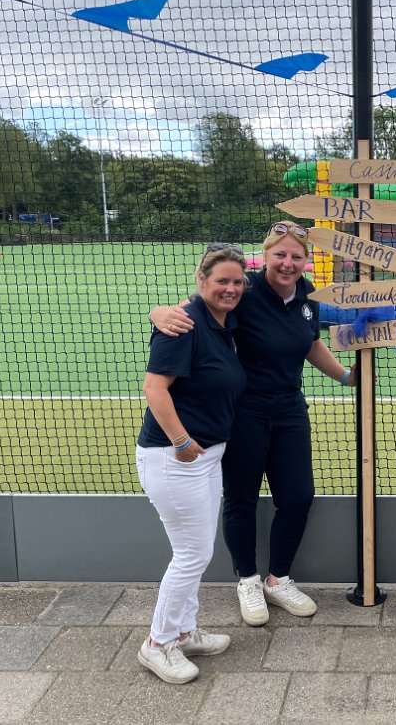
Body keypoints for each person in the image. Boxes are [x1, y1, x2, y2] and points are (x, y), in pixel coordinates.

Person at [150, 222, 357, 627]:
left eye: (296, 256)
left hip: (290, 410)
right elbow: (194, 308)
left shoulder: (307, 294)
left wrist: (346, 376)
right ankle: (247, 580)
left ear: (305, 261)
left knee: (298, 497)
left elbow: (312, 343)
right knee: (241, 499)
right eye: (280, 254)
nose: (288, 263)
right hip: (243, 412)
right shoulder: (244, 290)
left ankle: (278, 580)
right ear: (266, 256)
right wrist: (157, 312)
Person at [136, 245, 248, 684]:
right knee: (191, 554)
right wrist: (181, 441)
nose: (230, 288)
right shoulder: (183, 324)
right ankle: (158, 644)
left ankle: (184, 632)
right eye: (221, 280)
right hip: (174, 458)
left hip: (205, 457)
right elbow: (154, 388)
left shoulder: (222, 321)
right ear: (202, 280)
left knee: (195, 551)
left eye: (237, 281)